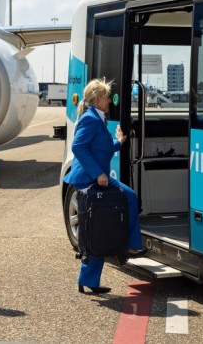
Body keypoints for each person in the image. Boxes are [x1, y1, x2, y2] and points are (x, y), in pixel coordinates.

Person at [64, 79, 146, 294]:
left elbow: (102, 148)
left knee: (104, 223)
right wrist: (98, 173)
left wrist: (118, 141)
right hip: (91, 178)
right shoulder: (91, 119)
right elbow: (78, 147)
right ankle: (130, 244)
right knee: (105, 220)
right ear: (98, 99)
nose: (110, 100)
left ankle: (91, 277)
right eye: (107, 96)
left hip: (99, 176)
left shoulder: (98, 118)